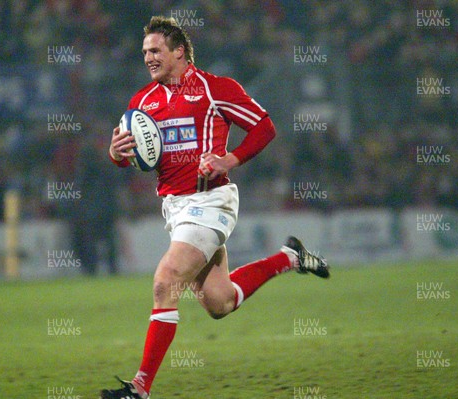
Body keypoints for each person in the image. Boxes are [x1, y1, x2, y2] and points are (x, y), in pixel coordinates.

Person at [100, 16, 329, 399]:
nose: (148, 58)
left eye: (155, 50)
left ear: (179, 52)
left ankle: (140, 388)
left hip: (211, 202)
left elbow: (264, 127)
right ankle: (289, 257)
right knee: (220, 302)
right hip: (175, 209)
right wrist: (115, 154)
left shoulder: (216, 89)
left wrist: (230, 160)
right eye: (144, 52)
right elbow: (132, 159)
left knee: (165, 280)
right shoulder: (142, 102)